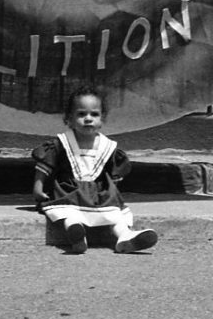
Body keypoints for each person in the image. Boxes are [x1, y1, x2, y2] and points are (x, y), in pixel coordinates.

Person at [31, 85, 158, 254]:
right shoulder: (61, 144)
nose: (88, 118)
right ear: (69, 119)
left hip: (99, 196)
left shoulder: (108, 147)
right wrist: (38, 188)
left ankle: (125, 237)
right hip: (69, 192)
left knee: (116, 216)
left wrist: (112, 194)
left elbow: (115, 174)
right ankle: (77, 235)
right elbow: (45, 166)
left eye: (94, 114)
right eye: (81, 114)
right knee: (71, 214)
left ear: (102, 119)